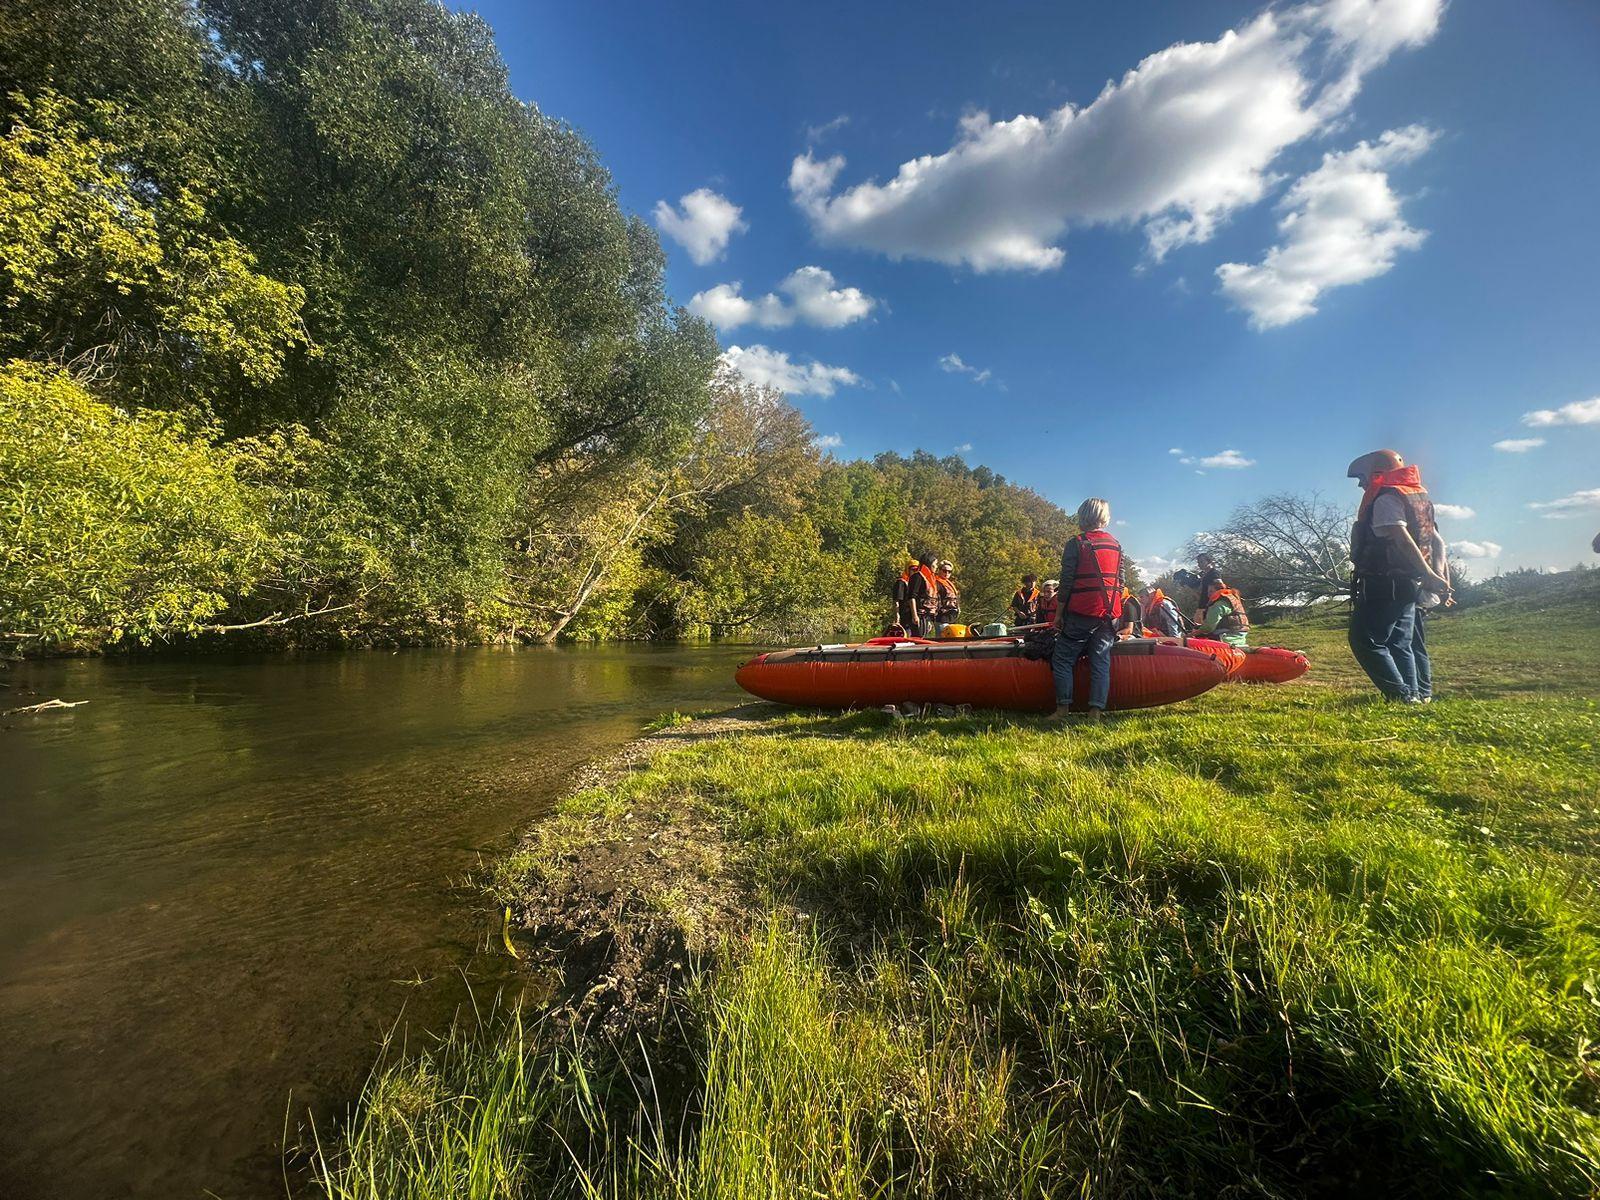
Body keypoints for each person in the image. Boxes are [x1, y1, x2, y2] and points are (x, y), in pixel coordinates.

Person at [1346, 449, 1451, 703]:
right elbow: (1439, 543)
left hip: (1385, 581)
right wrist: (1437, 575)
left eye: (1362, 477)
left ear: (1376, 472)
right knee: (1402, 642)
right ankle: (1418, 695)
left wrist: (1429, 575)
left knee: (1364, 640)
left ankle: (1402, 695)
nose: (1361, 484)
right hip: (1408, 583)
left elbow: (1401, 539)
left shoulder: (1385, 500)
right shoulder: (1416, 498)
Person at [1048, 498, 1122, 723]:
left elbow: (1067, 582)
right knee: (1101, 662)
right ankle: (1095, 714)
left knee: (1062, 658)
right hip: (1109, 616)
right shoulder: (1116, 545)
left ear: (1083, 516)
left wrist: (1059, 615)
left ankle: (1062, 711)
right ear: (1105, 518)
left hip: (1081, 614)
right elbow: (1120, 582)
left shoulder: (1076, 543)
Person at [1194, 578, 1250, 647]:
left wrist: (1194, 633)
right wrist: (1201, 626)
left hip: (1227, 637)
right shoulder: (1232, 599)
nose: (1208, 595)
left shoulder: (1219, 604)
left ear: (1219, 590)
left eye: (1211, 591)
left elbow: (1209, 627)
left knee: (1195, 640)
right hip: (1240, 636)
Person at [907, 552, 941, 636]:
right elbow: (912, 597)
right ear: (930, 563)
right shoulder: (917, 577)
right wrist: (915, 616)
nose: (936, 567)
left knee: (924, 637)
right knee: (918, 638)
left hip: (927, 616)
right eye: (935, 564)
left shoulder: (931, 578)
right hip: (919, 614)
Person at [891, 557, 919, 632]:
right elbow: (896, 601)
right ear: (908, 570)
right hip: (905, 617)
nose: (915, 572)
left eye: (917, 570)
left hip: (915, 617)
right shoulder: (901, 582)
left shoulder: (916, 583)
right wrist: (897, 616)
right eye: (913, 569)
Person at [934, 560, 961, 632]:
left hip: (952, 617)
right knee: (943, 639)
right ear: (939, 570)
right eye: (944, 571)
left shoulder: (949, 583)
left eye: (949, 571)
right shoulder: (936, 583)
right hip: (942, 617)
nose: (947, 573)